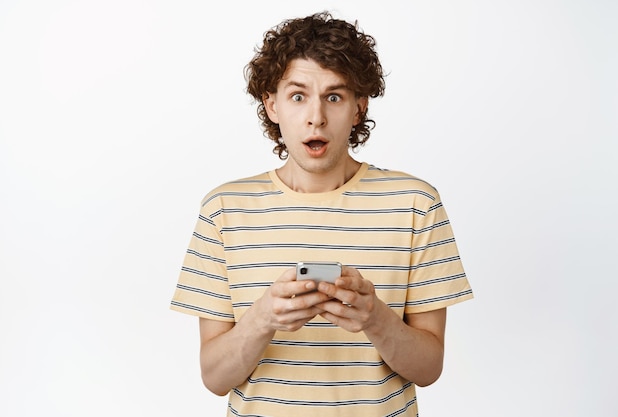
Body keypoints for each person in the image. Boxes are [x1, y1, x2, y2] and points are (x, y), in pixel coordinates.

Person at [170, 11, 473, 416]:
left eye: (334, 96)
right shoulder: (224, 210)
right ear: (272, 105)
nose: (316, 116)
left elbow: (429, 368)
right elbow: (214, 378)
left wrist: (375, 318)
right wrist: (264, 317)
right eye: (298, 96)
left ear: (359, 107)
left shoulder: (415, 203)